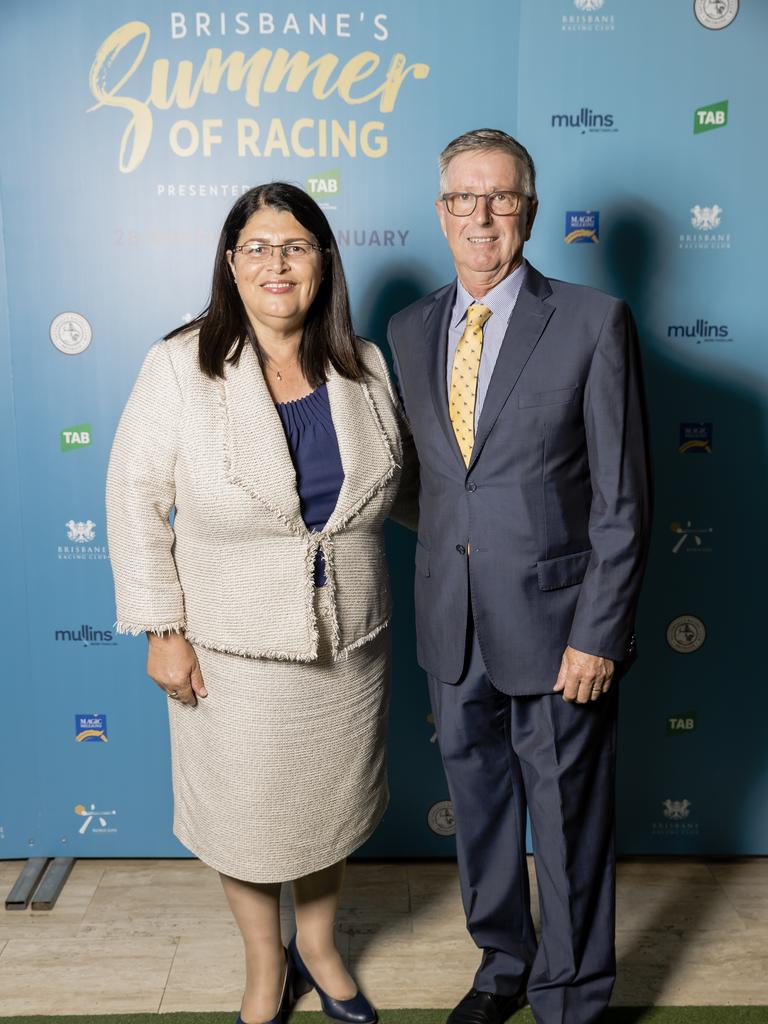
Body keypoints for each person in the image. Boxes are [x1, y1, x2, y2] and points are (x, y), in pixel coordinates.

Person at [106, 182, 417, 1024]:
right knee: (245, 817)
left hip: (350, 641)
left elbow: (409, 490)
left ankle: (319, 949)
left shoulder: (366, 361)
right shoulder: (182, 364)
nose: (275, 265)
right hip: (232, 646)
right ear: (230, 264)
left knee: (329, 806)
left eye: (295, 247)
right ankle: (264, 965)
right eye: (256, 248)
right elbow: (134, 494)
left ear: (323, 263)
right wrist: (162, 628)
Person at [387, 129, 650, 1024]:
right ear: (441, 211)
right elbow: (432, 484)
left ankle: (570, 998)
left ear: (529, 211)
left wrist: (599, 632)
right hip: (452, 625)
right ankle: (503, 965)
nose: (482, 216)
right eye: (464, 197)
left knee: (570, 822)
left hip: (560, 630)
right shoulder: (410, 328)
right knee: (481, 807)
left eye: (501, 198)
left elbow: (622, 499)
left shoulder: (591, 320)